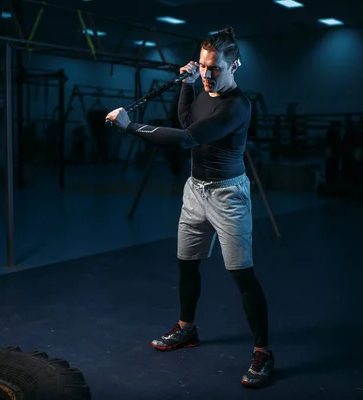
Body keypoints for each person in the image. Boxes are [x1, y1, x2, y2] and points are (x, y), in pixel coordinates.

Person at [105, 27, 274, 389]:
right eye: (202, 66)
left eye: (216, 68)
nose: (208, 74)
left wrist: (130, 126)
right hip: (194, 191)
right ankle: (187, 328)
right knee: (187, 265)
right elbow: (185, 120)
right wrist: (187, 85)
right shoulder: (204, 90)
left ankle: (263, 351)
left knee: (242, 276)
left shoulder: (237, 106)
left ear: (236, 65)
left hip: (228, 196)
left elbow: (186, 139)